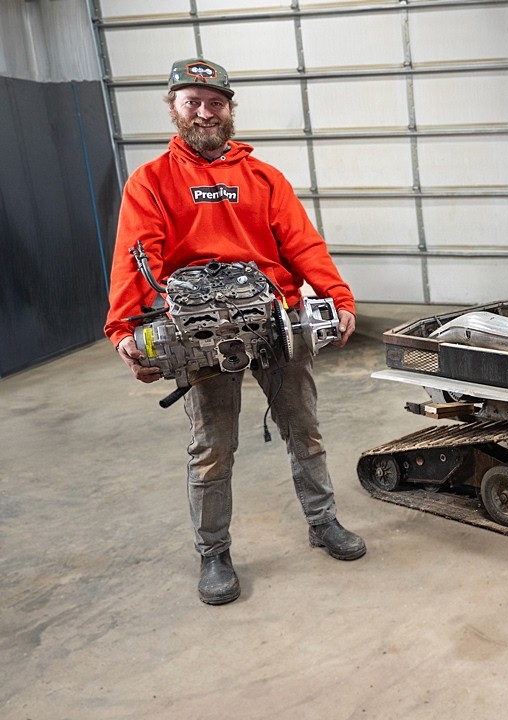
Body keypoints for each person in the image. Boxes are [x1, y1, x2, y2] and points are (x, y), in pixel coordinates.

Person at [104, 58, 365, 606]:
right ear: (174, 109)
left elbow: (301, 243)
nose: (205, 112)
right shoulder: (150, 182)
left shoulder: (264, 178)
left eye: (215, 102)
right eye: (192, 102)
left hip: (274, 319)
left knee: (305, 431)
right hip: (201, 332)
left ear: (229, 110)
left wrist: (337, 295)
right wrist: (125, 328)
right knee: (212, 448)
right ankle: (214, 552)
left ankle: (323, 522)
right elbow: (135, 255)